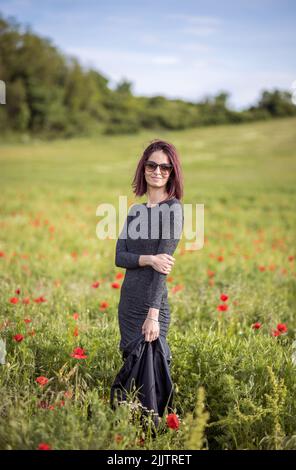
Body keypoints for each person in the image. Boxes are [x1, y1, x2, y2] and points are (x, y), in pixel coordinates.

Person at [110, 139, 184, 430]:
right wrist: (149, 258)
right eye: (152, 165)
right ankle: (127, 431)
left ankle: (154, 437)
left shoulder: (173, 210)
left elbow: (162, 271)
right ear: (143, 168)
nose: (157, 171)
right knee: (131, 368)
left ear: (172, 173)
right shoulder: (135, 212)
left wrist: (153, 315)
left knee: (150, 378)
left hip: (151, 306)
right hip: (127, 304)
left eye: (165, 167)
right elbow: (120, 257)